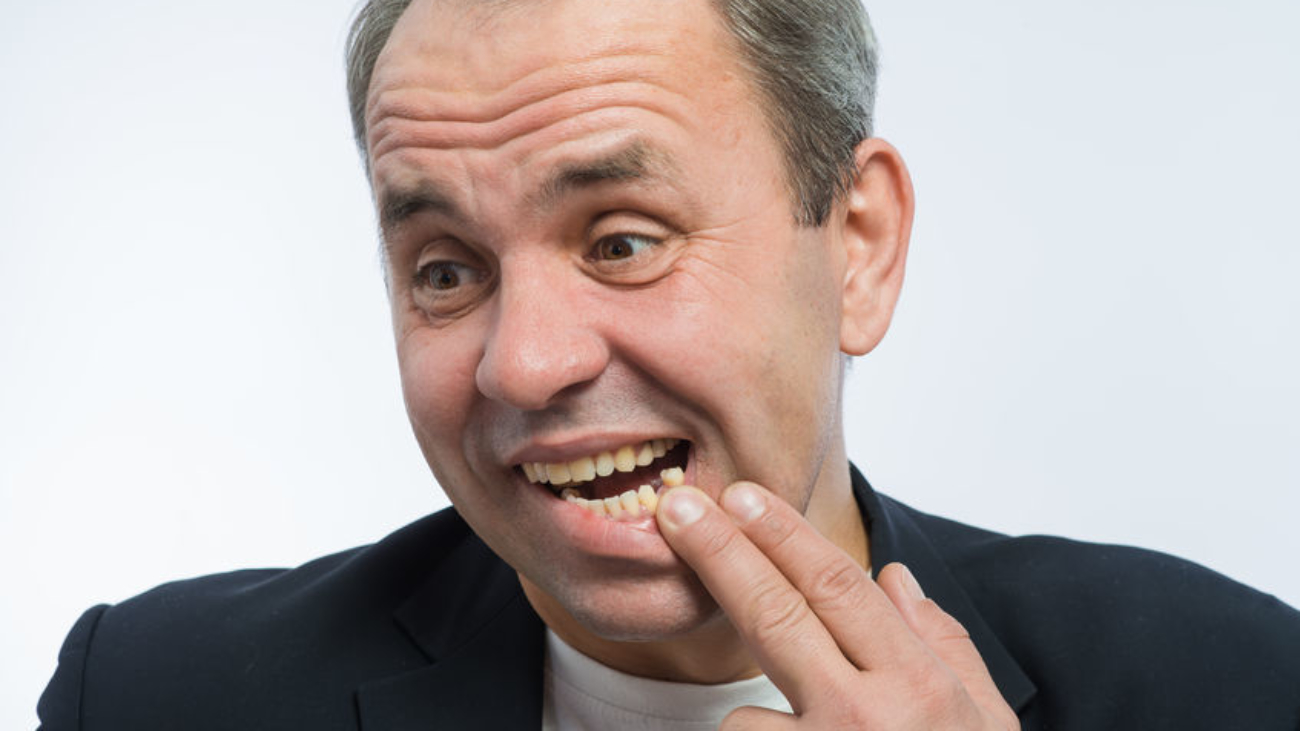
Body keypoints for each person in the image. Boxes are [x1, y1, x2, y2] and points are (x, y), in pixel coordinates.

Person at [38, 0, 1300, 728]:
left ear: (856, 247)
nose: (523, 364)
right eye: (444, 268)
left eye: (624, 239)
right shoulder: (154, 694)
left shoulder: (1236, 685)